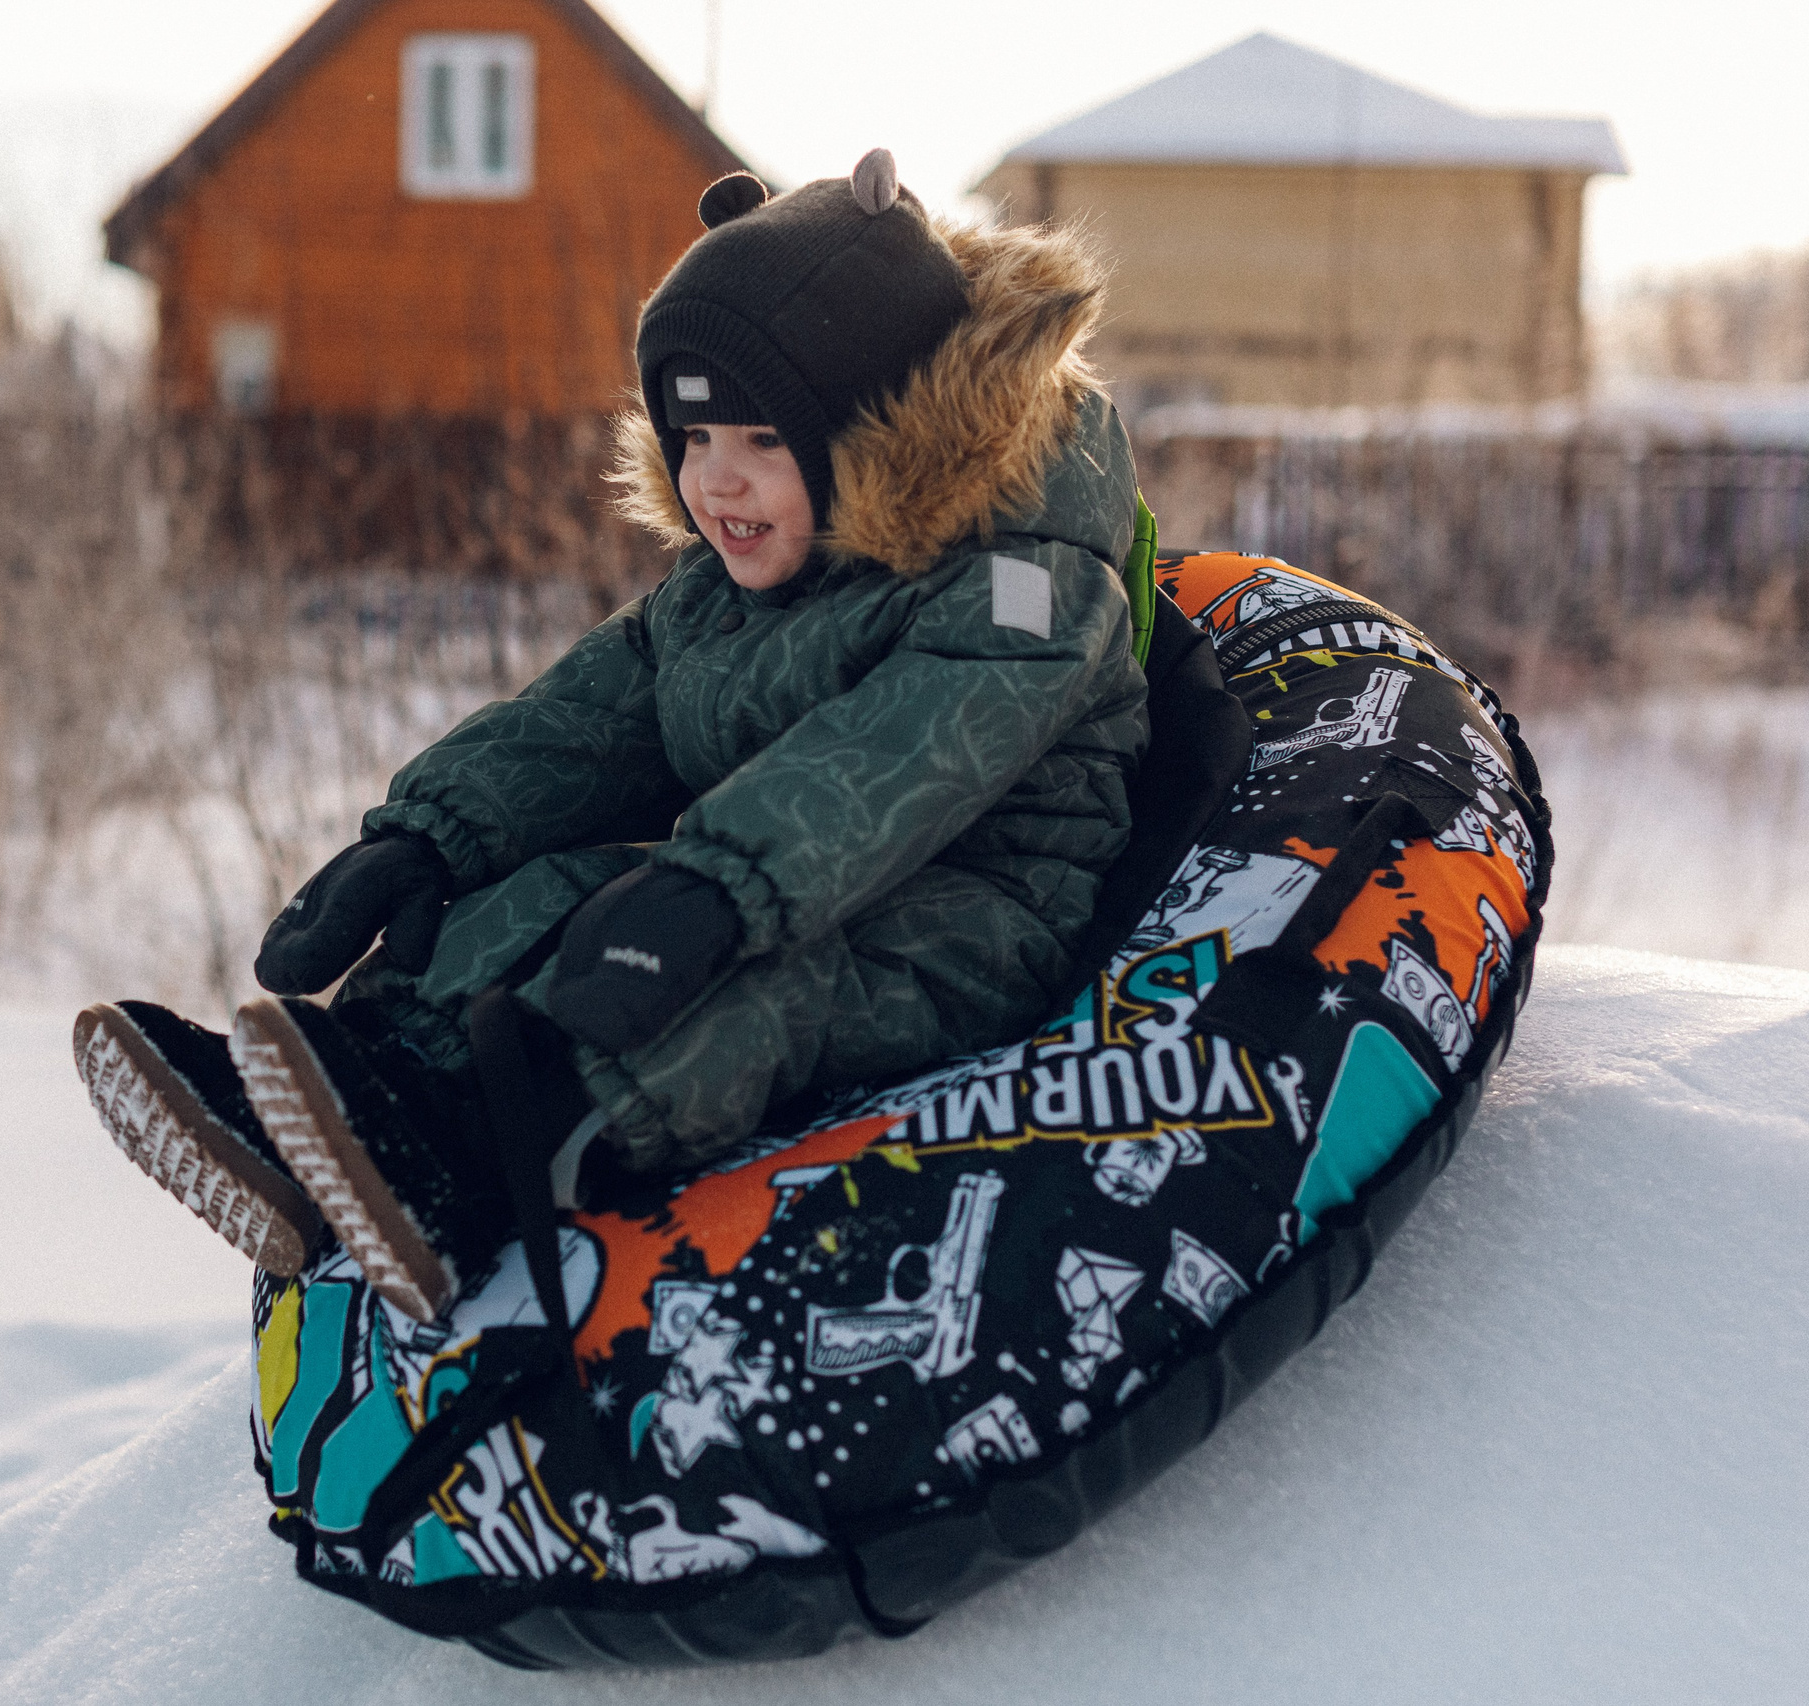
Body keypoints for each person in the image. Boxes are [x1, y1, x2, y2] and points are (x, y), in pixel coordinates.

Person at [76, 150, 1149, 1323]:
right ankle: (337, 1102)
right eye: (690, 439)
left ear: (876, 432)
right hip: (771, 876)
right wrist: (431, 837)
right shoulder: (736, 582)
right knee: (541, 895)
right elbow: (594, 712)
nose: (715, 482)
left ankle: (470, 1176)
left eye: (759, 441)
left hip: (976, 916)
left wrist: (718, 888)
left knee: (729, 991)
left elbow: (906, 750)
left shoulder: (1024, 588)